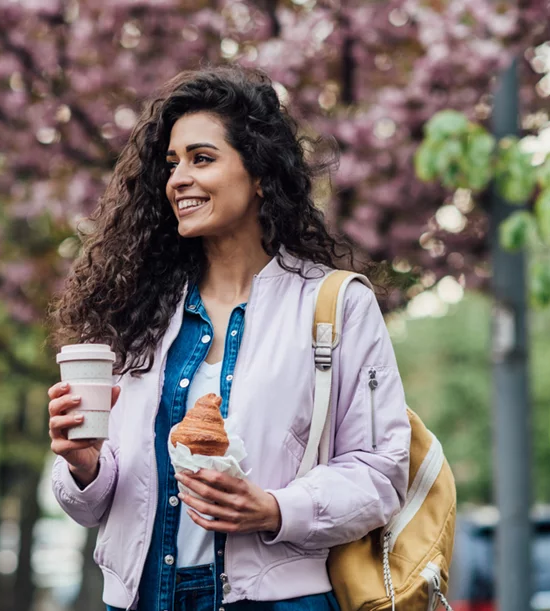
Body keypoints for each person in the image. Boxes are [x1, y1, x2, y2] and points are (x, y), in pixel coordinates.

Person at [48, 66, 411, 611]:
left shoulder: (333, 305)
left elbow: (381, 473)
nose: (178, 179)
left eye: (202, 158)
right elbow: (94, 504)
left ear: (260, 173)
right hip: (144, 598)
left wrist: (274, 508)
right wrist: (83, 465)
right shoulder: (135, 313)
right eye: (172, 164)